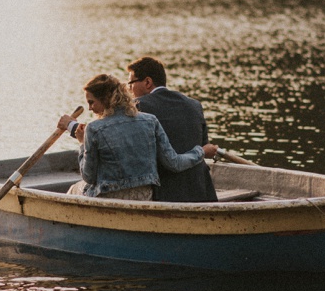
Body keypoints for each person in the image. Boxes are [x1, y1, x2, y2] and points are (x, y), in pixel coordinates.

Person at [58, 74, 217, 200]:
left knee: (74, 189)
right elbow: (174, 163)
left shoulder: (93, 128)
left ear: (105, 99)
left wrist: (81, 144)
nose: (90, 108)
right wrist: (200, 152)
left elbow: (89, 177)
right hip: (144, 197)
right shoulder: (150, 120)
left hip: (109, 198)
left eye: (92, 102)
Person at [125, 56, 218, 202]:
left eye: (131, 83)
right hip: (201, 191)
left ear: (147, 82)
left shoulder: (137, 106)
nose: (129, 89)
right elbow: (203, 148)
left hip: (164, 193)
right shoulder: (194, 105)